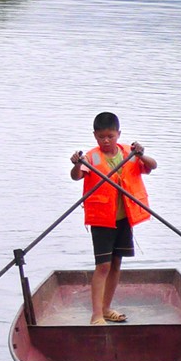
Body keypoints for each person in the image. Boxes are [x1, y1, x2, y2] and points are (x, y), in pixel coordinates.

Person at [70, 111, 157, 324]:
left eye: (110, 136)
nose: (106, 141)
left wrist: (141, 154)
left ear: (118, 134)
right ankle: (96, 314)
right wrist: (75, 163)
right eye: (101, 137)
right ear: (95, 136)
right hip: (102, 220)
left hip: (123, 218)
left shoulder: (129, 152)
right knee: (103, 267)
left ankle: (107, 308)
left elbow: (152, 166)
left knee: (116, 264)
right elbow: (76, 176)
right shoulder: (90, 157)